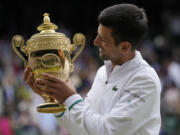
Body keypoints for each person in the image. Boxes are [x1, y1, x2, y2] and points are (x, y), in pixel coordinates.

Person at [23, 3, 161, 135]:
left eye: (103, 39)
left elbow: (108, 132)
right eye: (97, 34)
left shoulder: (145, 80)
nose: (95, 42)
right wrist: (54, 98)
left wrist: (70, 97)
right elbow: (82, 129)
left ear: (124, 47)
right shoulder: (102, 72)